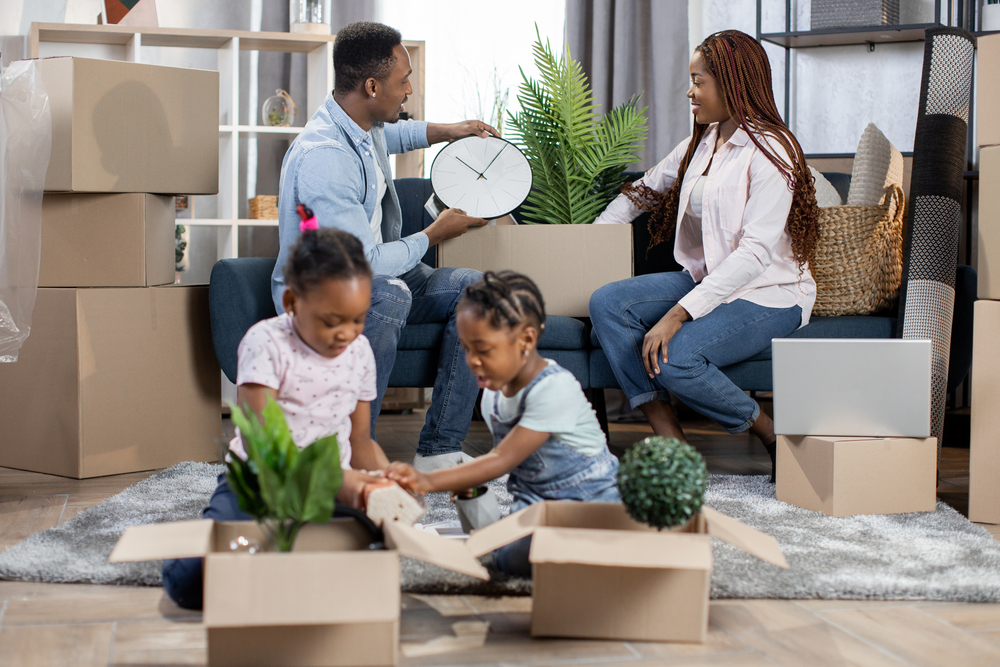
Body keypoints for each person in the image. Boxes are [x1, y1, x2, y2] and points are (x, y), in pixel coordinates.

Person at [588, 30, 821, 483]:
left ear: (733, 83)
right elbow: (638, 196)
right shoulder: (700, 143)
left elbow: (755, 255)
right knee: (607, 302)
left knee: (676, 358)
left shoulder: (773, 151)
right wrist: (588, 246)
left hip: (770, 293)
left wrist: (678, 314)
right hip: (708, 279)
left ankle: (770, 434)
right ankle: (669, 436)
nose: (689, 91)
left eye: (699, 81)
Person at [272, 21, 495, 472]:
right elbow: (366, 264)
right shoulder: (325, 156)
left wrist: (451, 131)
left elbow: (393, 136)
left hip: (375, 275)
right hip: (326, 291)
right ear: (372, 86)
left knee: (481, 292)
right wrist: (434, 234)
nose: (409, 89)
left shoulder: (360, 122)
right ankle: (351, 455)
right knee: (390, 291)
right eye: (403, 81)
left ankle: (439, 450)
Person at [163, 219, 389, 609]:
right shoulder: (266, 343)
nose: (347, 334)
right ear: (292, 303)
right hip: (259, 482)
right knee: (192, 581)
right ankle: (198, 538)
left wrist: (385, 480)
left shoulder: (360, 352)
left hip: (328, 491)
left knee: (379, 553)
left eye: (358, 319)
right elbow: (266, 445)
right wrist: (342, 480)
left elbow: (361, 440)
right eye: (332, 321)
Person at [386, 271, 621, 577]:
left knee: (530, 555)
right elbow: (513, 463)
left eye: (483, 350)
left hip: (591, 498)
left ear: (526, 339)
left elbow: (501, 460)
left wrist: (428, 481)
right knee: (509, 557)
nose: (471, 360)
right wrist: (467, 485)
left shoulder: (554, 388)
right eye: (467, 348)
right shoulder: (493, 397)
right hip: (534, 498)